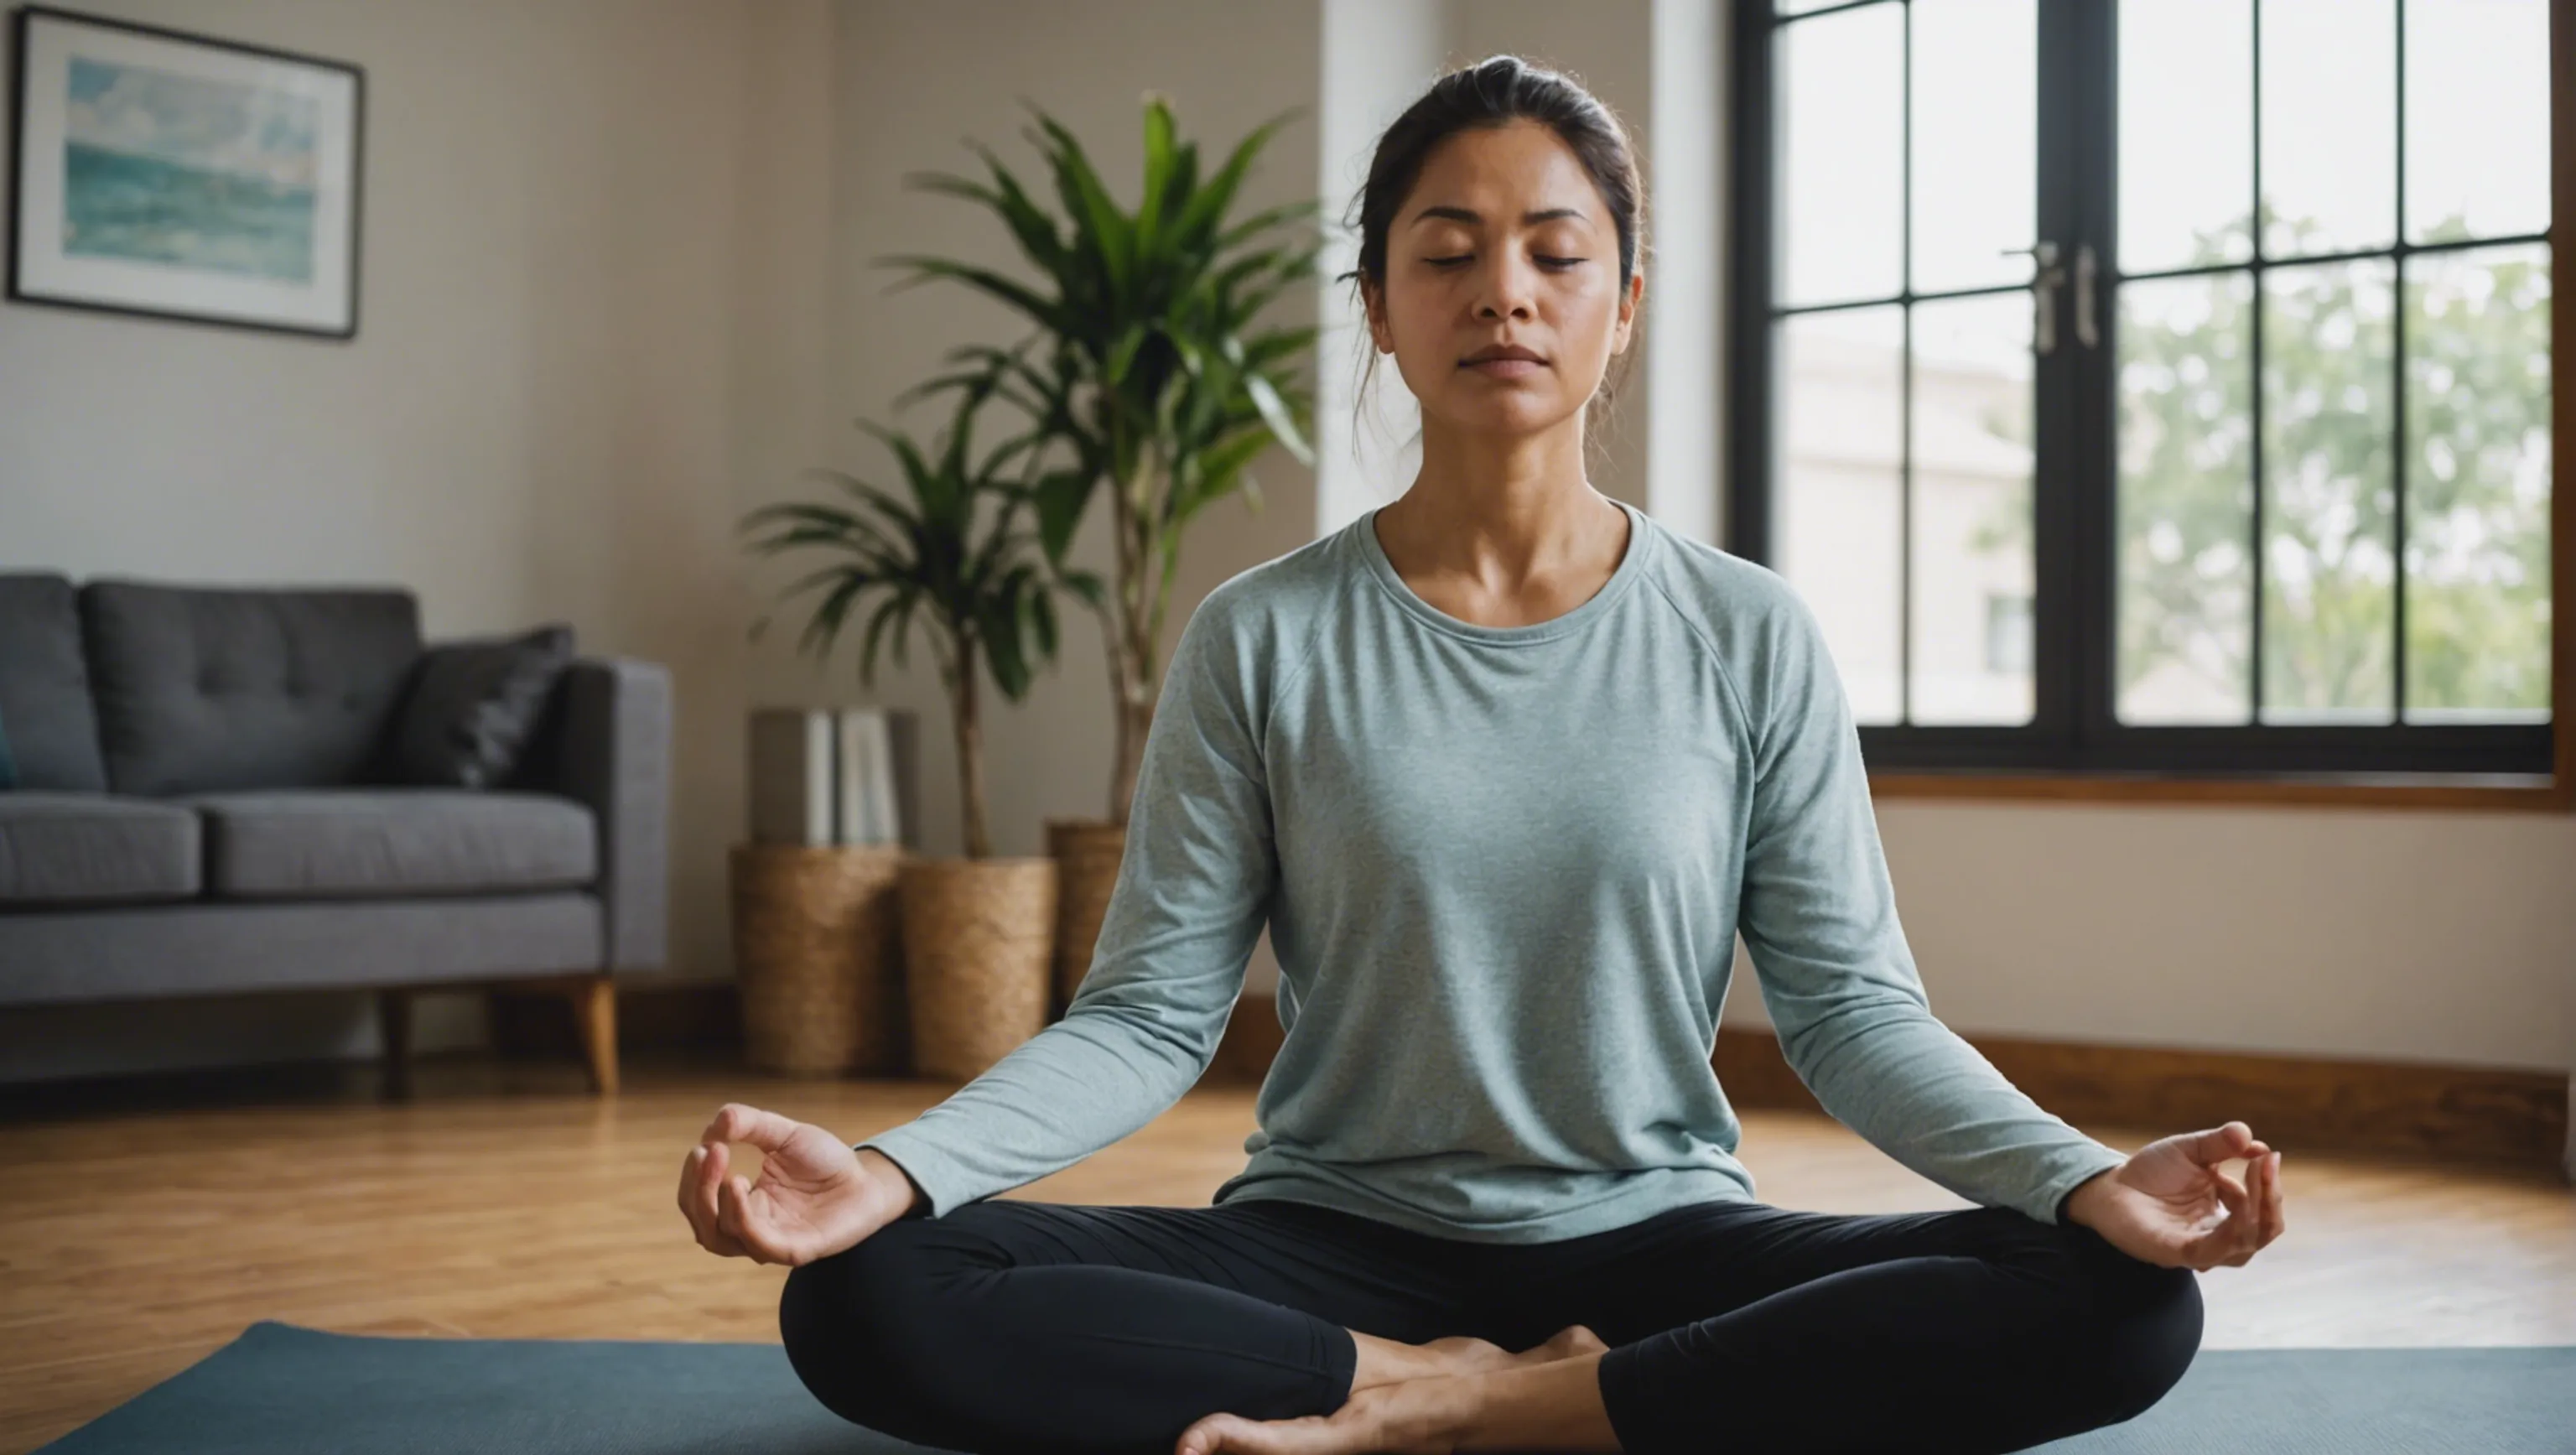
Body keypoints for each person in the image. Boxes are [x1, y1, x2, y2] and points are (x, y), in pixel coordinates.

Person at [677, 54, 2287, 1455]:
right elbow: (1150, 1016)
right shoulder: (1264, 634)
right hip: (1330, 1244)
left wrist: (2085, 1178)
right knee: (872, 1293)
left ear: (1622, 304)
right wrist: (895, 1169)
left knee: (2115, 1299)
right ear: (1381, 307)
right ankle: (1441, 1377)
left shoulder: (1748, 632)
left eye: (1553, 253)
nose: (1502, 290)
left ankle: (1493, 1410)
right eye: (1446, 253)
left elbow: (1853, 1015)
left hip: (1660, 1232)